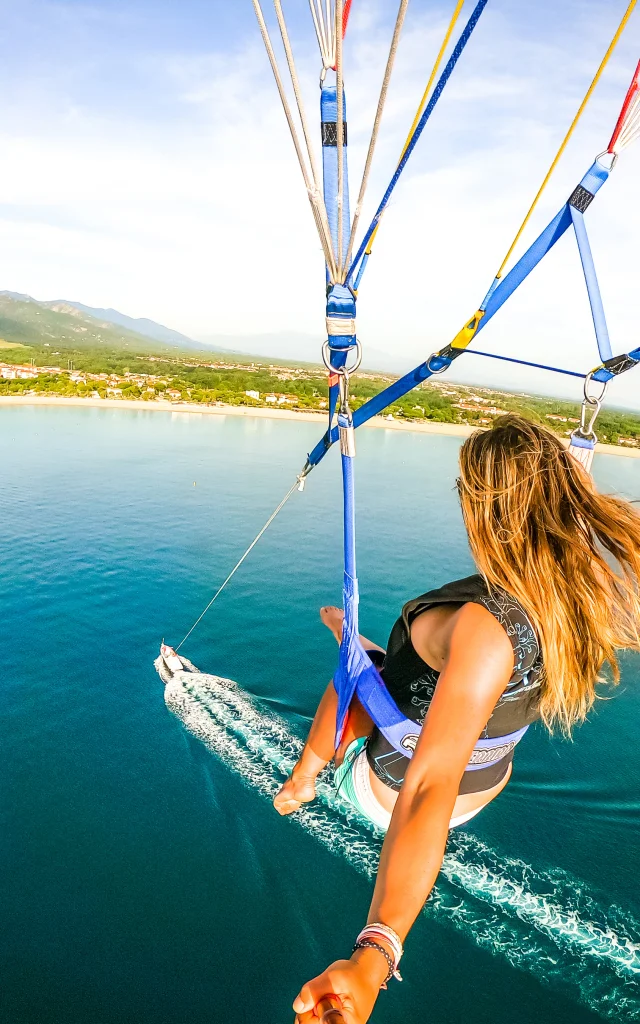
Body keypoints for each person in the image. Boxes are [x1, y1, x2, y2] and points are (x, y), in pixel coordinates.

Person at [273, 414, 640, 1024]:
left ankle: (303, 778)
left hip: (393, 789)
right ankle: (352, 648)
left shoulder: (488, 628)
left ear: (482, 509)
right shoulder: (580, 585)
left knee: (354, 674)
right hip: (487, 778)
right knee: (374, 665)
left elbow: (428, 785)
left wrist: (376, 950)